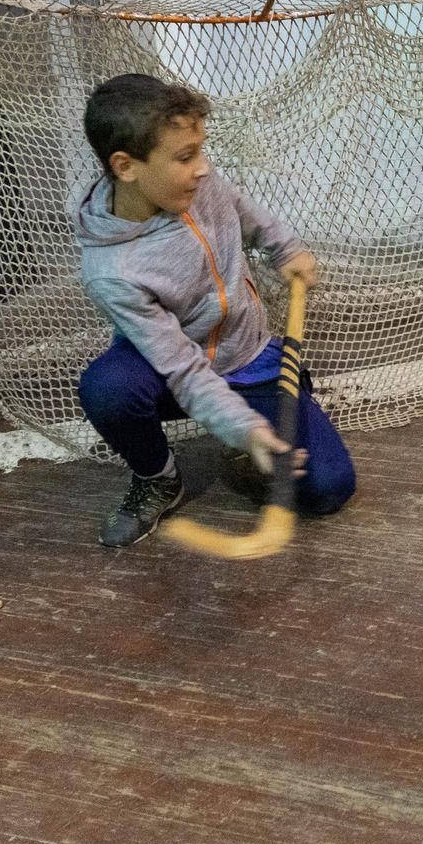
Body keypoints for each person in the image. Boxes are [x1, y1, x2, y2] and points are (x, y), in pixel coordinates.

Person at [71, 72, 355, 546]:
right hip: (173, 370)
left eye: (200, 151)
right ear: (126, 166)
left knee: (328, 489)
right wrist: (245, 429)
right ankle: (158, 477)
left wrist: (284, 250)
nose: (202, 168)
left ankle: (248, 454)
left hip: (248, 358)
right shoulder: (112, 271)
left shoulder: (195, 183)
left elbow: (245, 212)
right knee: (108, 388)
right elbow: (183, 368)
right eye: (186, 157)